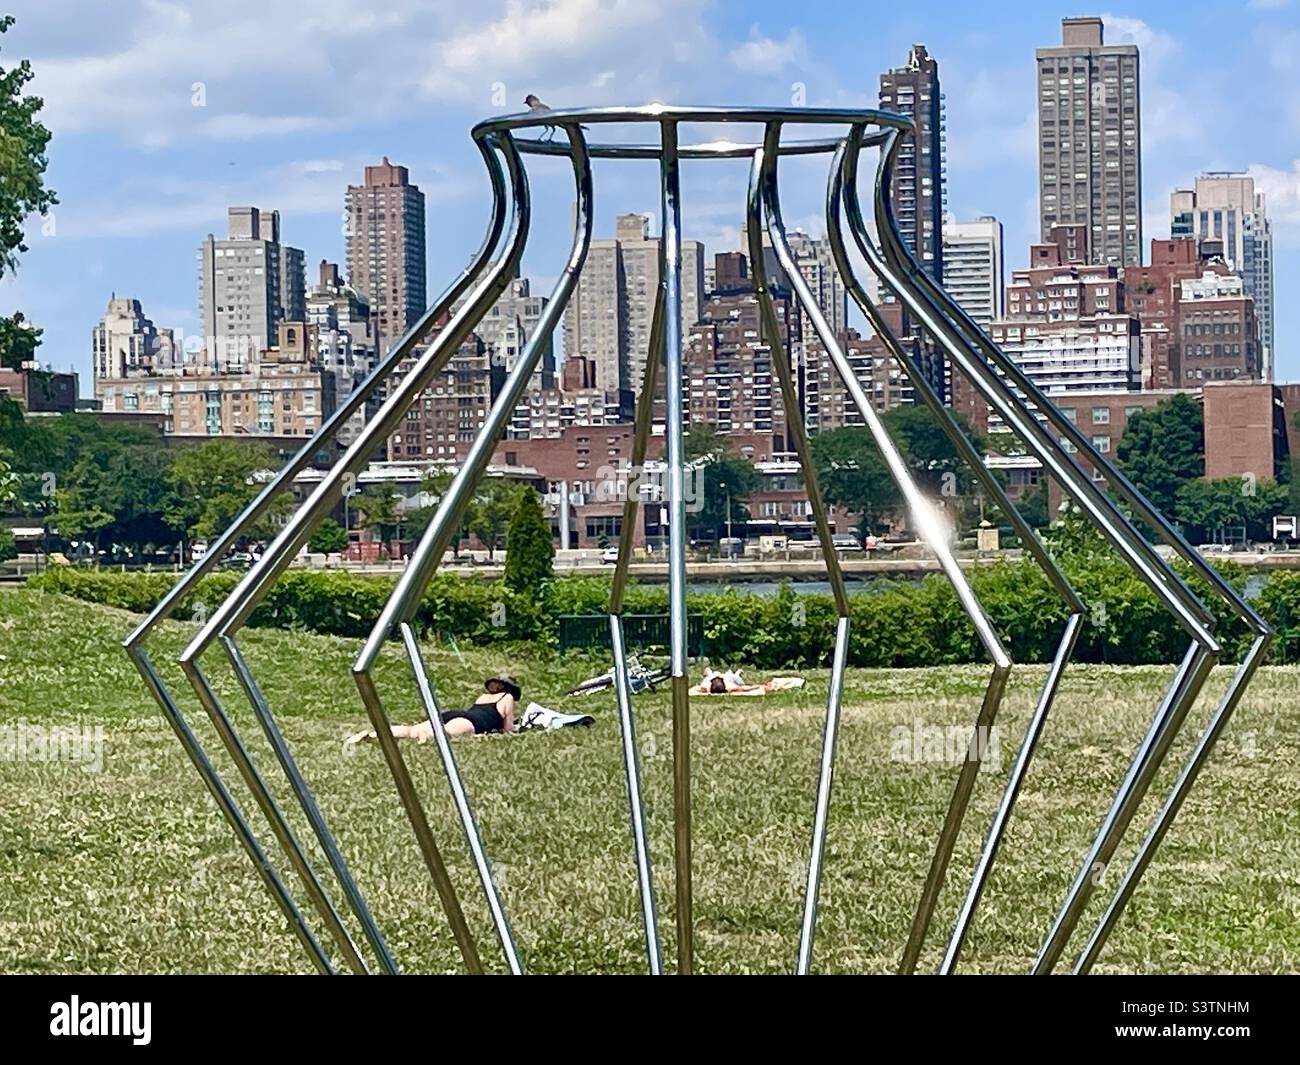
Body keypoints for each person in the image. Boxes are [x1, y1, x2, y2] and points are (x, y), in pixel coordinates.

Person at [345, 674, 520, 747]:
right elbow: (507, 728)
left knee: (412, 730)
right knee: (440, 735)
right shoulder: (507, 698)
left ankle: (375, 734)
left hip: (456, 714)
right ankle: (425, 739)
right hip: (470, 723)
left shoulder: (482, 697)